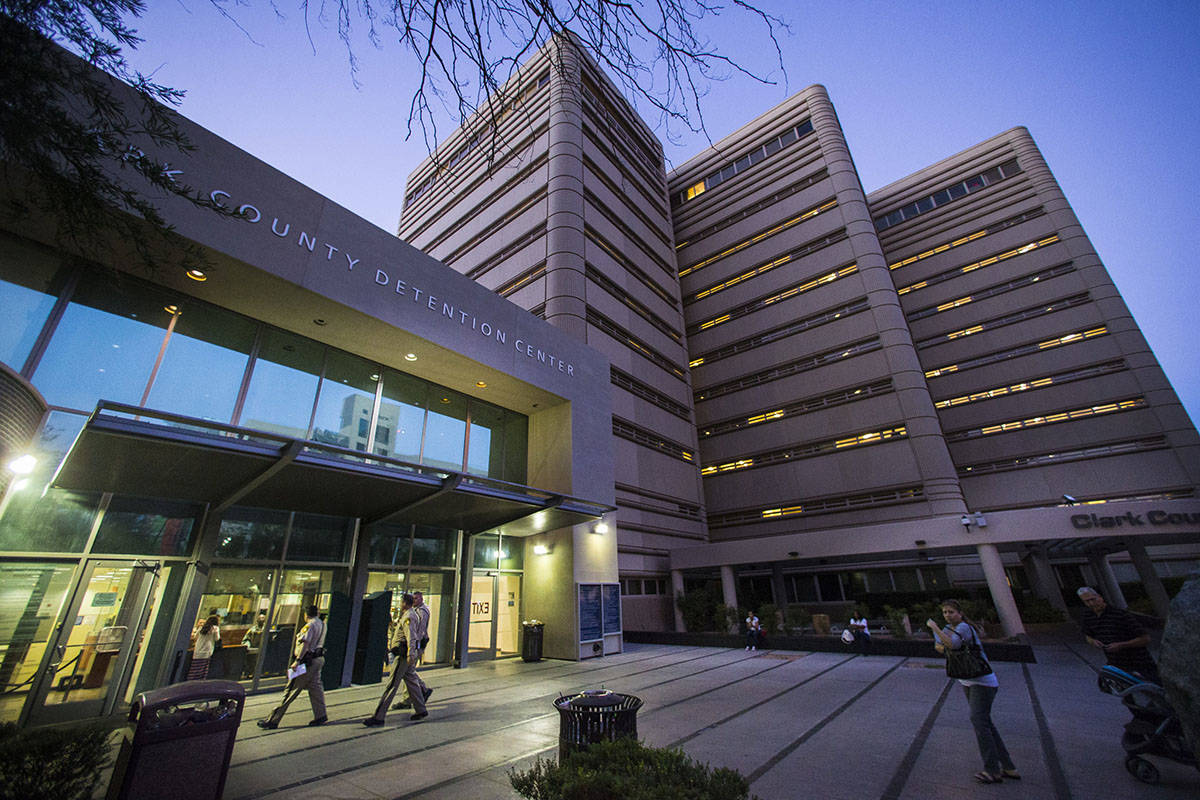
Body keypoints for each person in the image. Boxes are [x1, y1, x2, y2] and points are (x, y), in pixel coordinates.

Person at [927, 600, 1019, 785]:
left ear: (960, 613)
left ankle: (992, 770)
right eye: (944, 612)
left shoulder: (965, 628)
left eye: (951, 612)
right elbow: (939, 647)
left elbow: (951, 645)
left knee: (979, 722)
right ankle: (1008, 766)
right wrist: (941, 637)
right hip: (966, 679)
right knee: (985, 723)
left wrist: (935, 628)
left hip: (982, 681)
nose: (947, 615)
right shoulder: (948, 628)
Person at [258, 605, 327, 729]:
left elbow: (305, 644)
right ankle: (321, 715)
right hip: (318, 660)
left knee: (291, 689)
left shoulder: (309, 625)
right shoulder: (322, 624)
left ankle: (273, 720)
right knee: (315, 687)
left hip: (306, 661)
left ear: (306, 615)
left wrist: (297, 661)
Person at [365, 593, 428, 725]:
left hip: (403, 655)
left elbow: (411, 636)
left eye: (401, 602)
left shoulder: (409, 616)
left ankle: (379, 716)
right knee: (411, 682)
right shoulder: (410, 615)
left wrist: (411, 653)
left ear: (405, 603)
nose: (400, 604)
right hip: (406, 654)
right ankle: (421, 709)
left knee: (392, 685)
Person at [1077, 586, 1160, 683]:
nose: (1091, 603)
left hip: (1139, 662)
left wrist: (1122, 645)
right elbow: (1088, 636)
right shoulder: (1089, 616)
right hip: (1117, 664)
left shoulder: (1120, 615)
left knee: (1155, 687)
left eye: (1093, 599)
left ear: (1100, 597)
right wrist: (1094, 642)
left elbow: (1145, 638)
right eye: (1087, 601)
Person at [392, 590, 434, 710]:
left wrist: (415, 649)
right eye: (413, 598)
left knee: (408, 672)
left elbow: (418, 632)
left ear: (421, 599)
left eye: (416, 598)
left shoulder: (421, 612)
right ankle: (422, 691)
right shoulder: (414, 612)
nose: (414, 600)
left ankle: (408, 699)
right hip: (415, 645)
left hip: (416, 645)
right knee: (409, 672)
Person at [188, 615, 221, 680]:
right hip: (207, 651)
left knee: (194, 669)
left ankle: (191, 681)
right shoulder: (215, 628)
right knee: (202, 671)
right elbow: (217, 638)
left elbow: (195, 636)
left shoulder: (202, 627)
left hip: (198, 650)